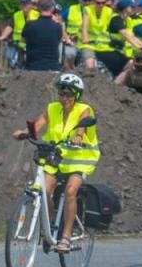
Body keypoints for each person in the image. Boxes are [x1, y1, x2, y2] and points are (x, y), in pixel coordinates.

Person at [13, 71, 99, 250]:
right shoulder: (52, 108)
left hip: (79, 159)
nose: (64, 97)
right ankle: (51, 224)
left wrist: (78, 136)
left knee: (69, 192)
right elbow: (37, 126)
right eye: (61, 92)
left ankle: (65, 237)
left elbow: (82, 126)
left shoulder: (84, 109)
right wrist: (24, 132)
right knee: (43, 190)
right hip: (56, 158)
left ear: (76, 95)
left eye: (68, 93)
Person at [18, 0, 66, 71]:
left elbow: (23, 40)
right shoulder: (57, 27)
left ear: (38, 8)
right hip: (52, 68)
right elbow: (58, 41)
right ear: (52, 8)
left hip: (32, 68)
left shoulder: (29, 25)